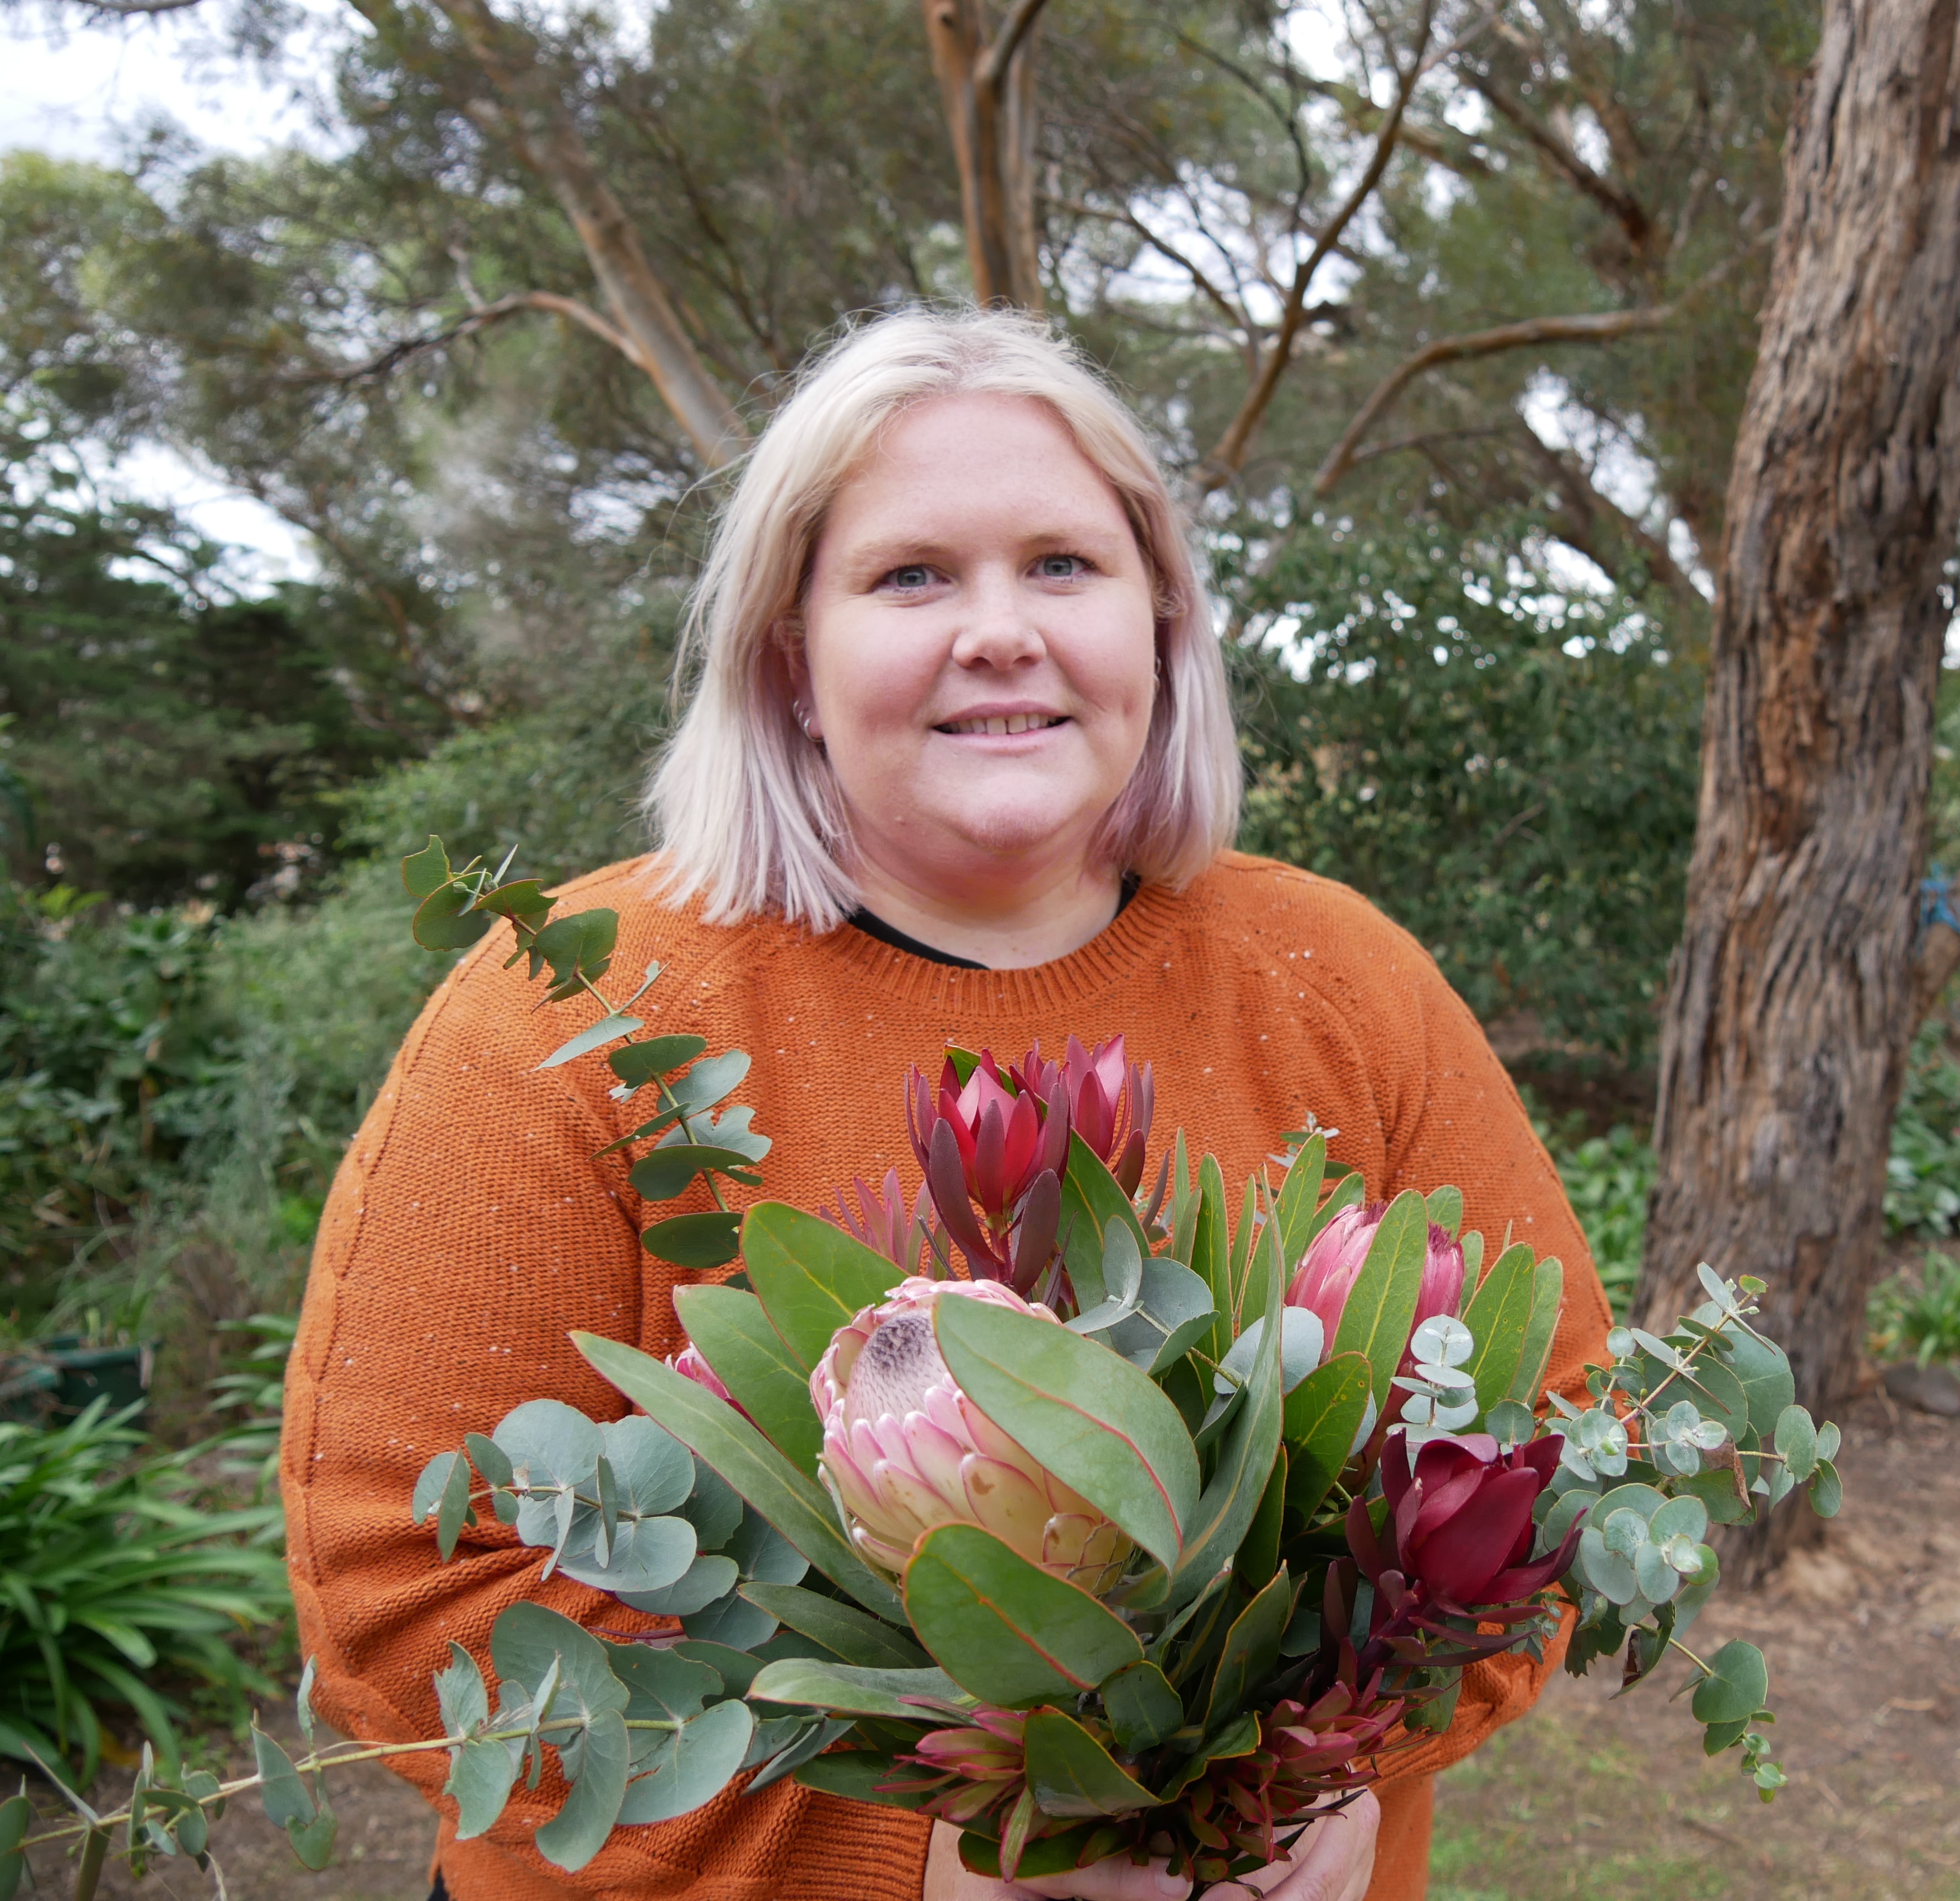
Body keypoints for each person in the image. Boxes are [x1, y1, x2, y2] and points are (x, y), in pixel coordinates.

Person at [281, 308, 1610, 1901]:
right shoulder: (577, 1021)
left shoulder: (1342, 980)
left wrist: (1316, 1783)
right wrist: (929, 1861)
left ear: (1162, 626)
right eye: (913, 575)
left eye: (1064, 564)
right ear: (792, 652)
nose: (1001, 631)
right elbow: (403, 1605)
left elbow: (1564, 1462)